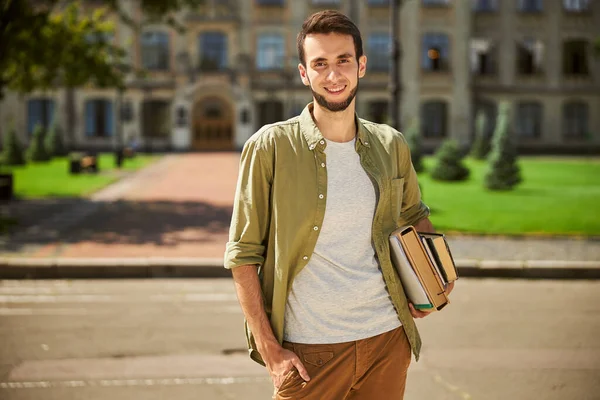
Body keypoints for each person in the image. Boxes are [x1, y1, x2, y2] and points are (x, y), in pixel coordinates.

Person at [224, 10, 454, 400]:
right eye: (320, 64)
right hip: (310, 352)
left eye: (343, 60)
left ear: (361, 65)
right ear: (304, 73)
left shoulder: (390, 143)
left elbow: (415, 215)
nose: (333, 75)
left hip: (387, 338)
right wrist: (269, 350)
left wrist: (437, 281)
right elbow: (243, 254)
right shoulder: (270, 147)